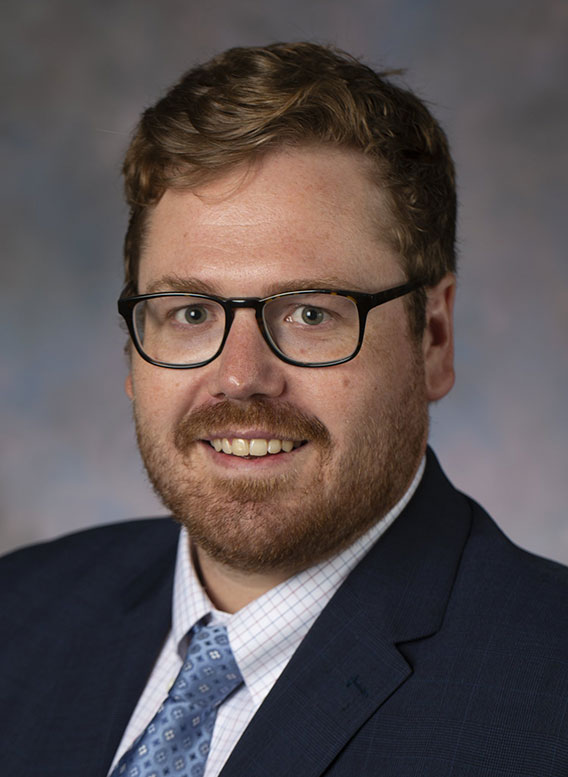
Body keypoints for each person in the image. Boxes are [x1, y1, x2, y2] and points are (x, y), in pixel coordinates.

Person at [1, 42, 567, 777]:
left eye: (310, 313)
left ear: (432, 337)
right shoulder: (20, 614)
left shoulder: (547, 701)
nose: (240, 378)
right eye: (191, 312)